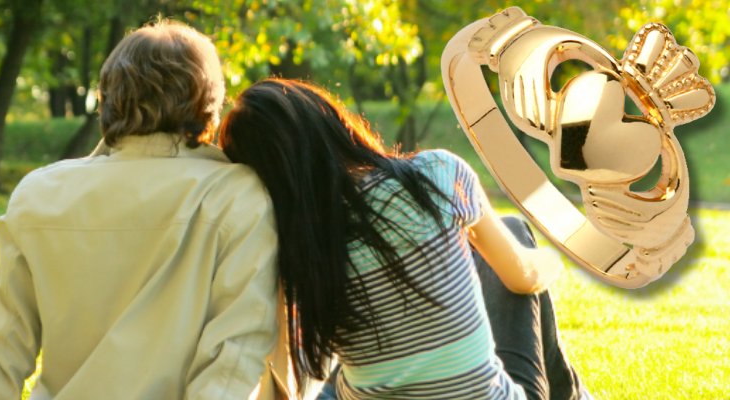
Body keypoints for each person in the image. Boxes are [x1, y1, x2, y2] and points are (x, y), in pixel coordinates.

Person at [0, 20, 283, 399]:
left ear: (106, 98)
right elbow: (235, 354)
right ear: (209, 104)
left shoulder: (39, 192)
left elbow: (1, 346)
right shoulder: (238, 194)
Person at [218, 79, 588, 400]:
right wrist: (552, 260)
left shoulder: (296, 249)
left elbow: (288, 372)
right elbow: (523, 277)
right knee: (511, 230)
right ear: (330, 121)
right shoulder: (437, 175)